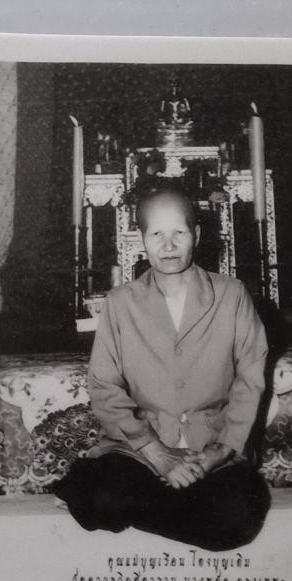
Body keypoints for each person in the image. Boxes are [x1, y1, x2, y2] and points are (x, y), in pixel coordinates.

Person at [53, 184, 271, 551]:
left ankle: (121, 502)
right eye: (156, 234)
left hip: (211, 449)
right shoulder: (121, 303)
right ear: (141, 238)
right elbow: (104, 386)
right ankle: (164, 503)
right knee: (104, 496)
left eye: (179, 233)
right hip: (141, 450)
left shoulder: (232, 295)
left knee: (238, 515)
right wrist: (159, 456)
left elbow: (250, 381)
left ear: (196, 234)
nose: (168, 245)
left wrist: (219, 452)